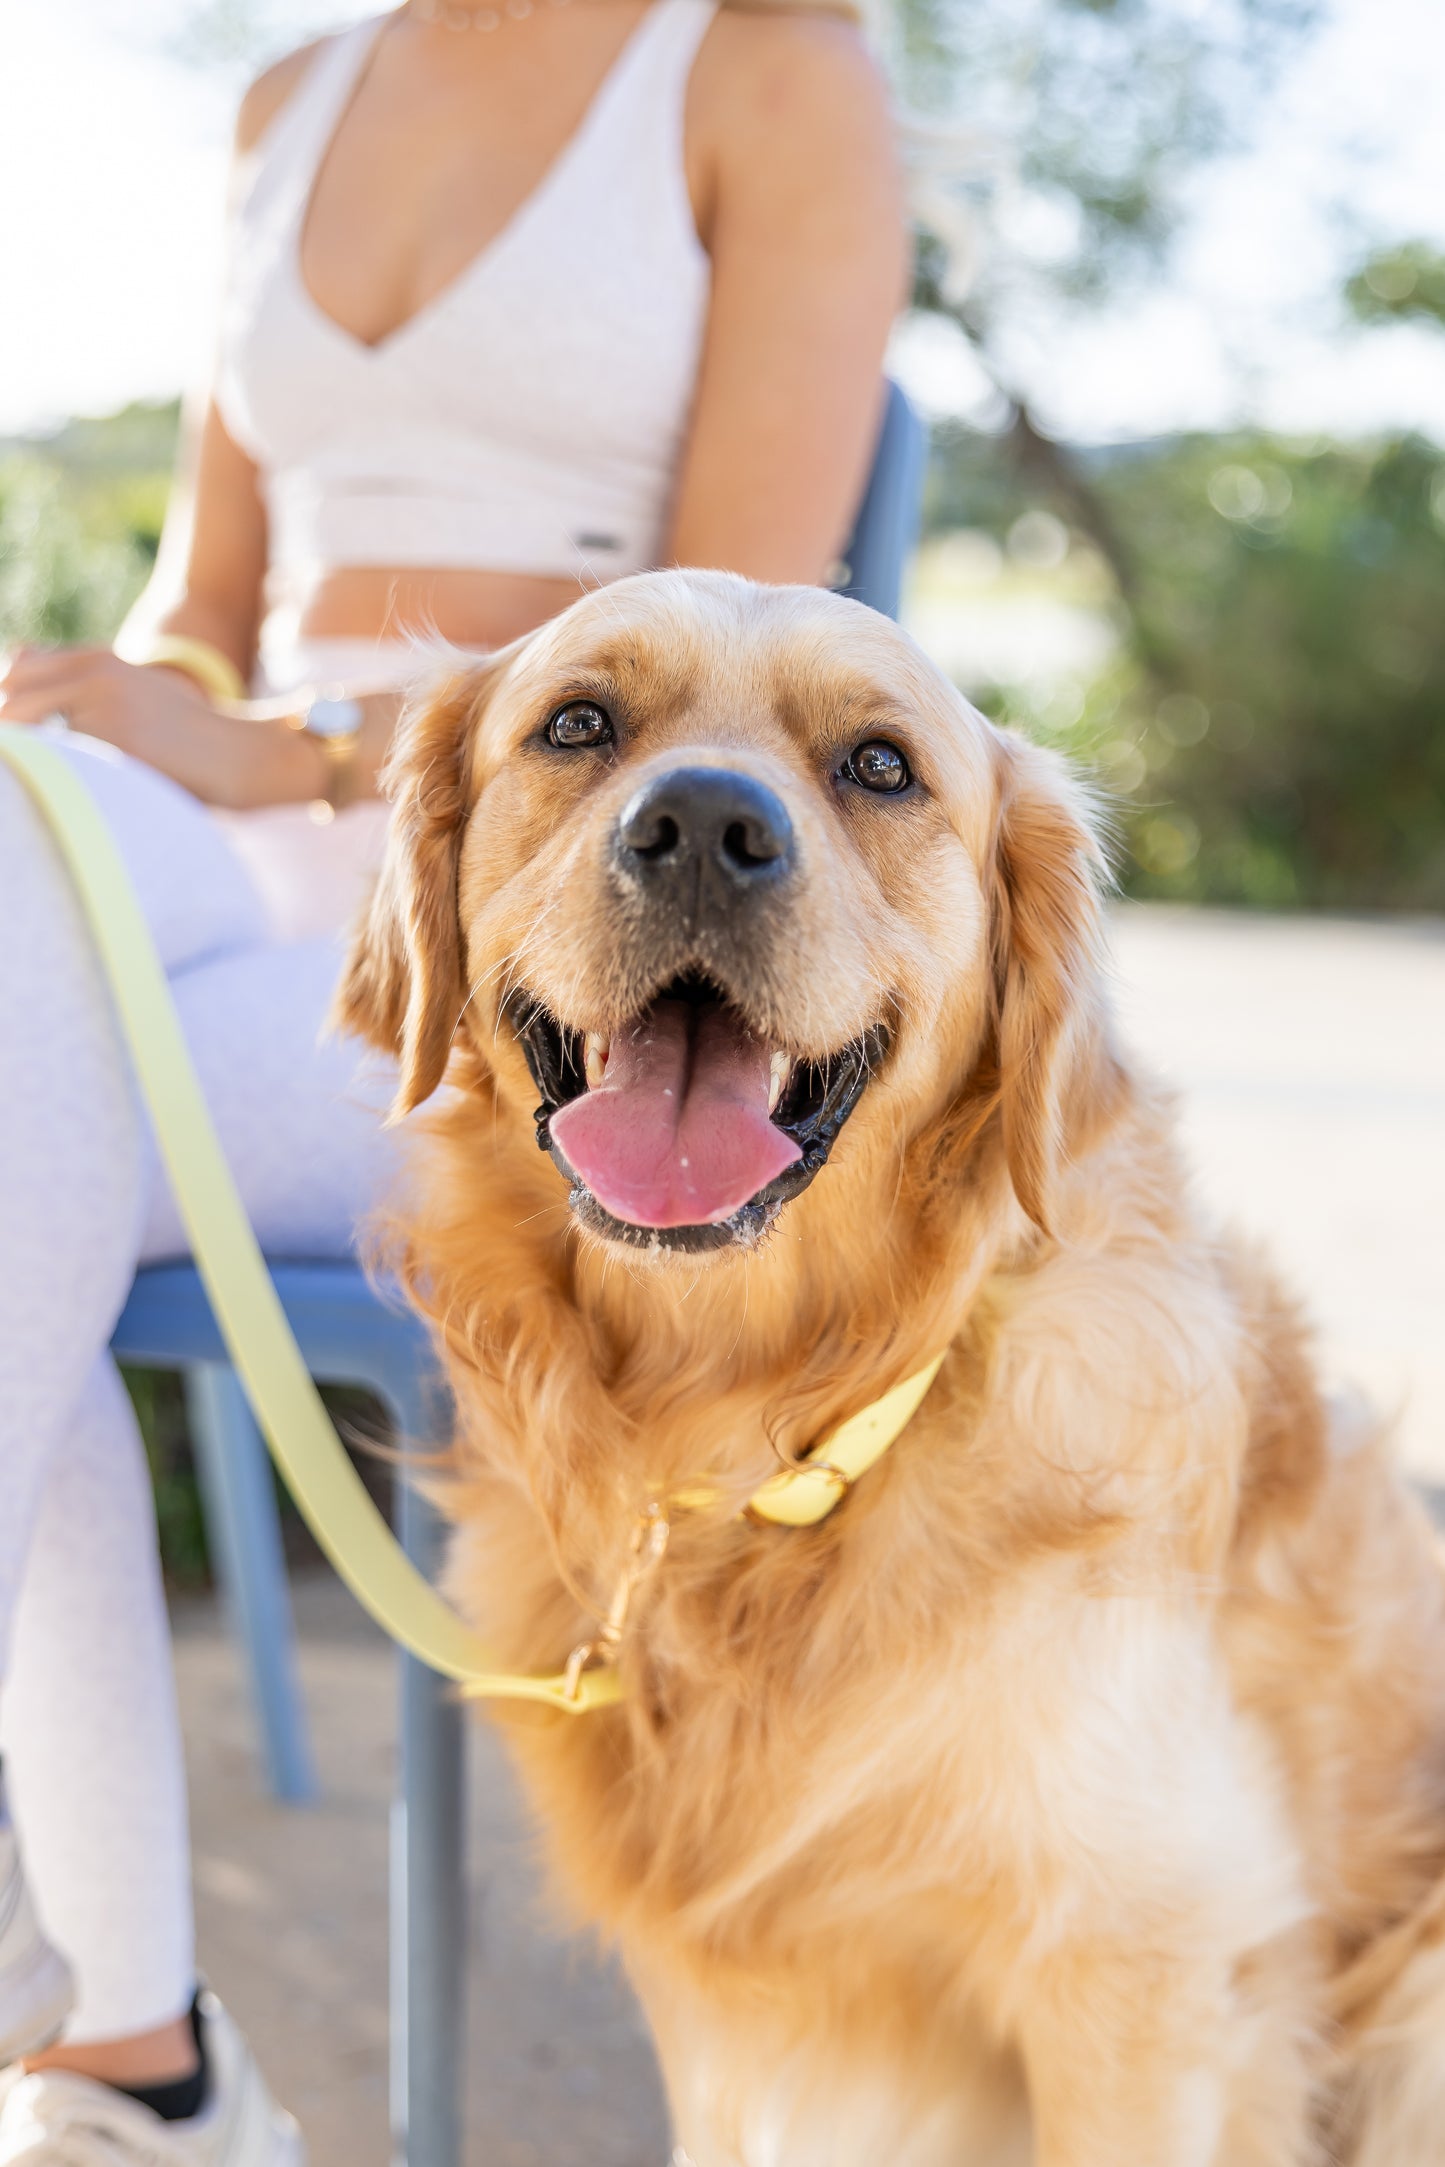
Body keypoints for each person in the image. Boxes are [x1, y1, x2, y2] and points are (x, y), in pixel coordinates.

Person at [0, 0, 907, 2159]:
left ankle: (134, 2052)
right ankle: (139, 2065)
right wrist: (133, 699)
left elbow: (752, 652)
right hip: (220, 879)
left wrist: (310, 757)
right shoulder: (282, 101)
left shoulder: (771, 71)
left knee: (16, 1139)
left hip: (557, 934)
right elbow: (212, 608)